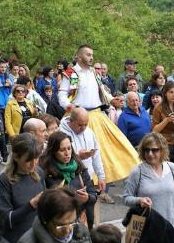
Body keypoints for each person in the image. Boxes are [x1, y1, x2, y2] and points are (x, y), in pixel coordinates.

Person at [58, 45, 139, 189]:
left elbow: (102, 92)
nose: (91, 57)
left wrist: (112, 99)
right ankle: (77, 183)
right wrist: (68, 106)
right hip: (77, 117)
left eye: (92, 55)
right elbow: (62, 95)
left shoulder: (95, 74)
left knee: (106, 151)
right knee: (75, 152)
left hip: (97, 115)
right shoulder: (72, 74)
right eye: (88, 54)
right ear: (79, 56)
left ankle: (101, 184)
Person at [41, 131, 98, 228]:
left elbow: (93, 194)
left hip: (81, 223)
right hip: (60, 225)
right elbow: (44, 202)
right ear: (53, 151)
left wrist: (87, 198)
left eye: (69, 148)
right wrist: (71, 198)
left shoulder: (78, 167)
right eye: (62, 150)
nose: (67, 153)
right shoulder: (45, 172)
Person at [59, 107, 109, 203]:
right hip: (70, 181)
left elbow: (96, 155)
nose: (83, 128)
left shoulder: (89, 132)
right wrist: (78, 156)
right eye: (80, 125)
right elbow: (58, 158)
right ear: (71, 120)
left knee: (92, 215)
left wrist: (101, 176)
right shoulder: (61, 133)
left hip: (88, 179)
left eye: (86, 124)